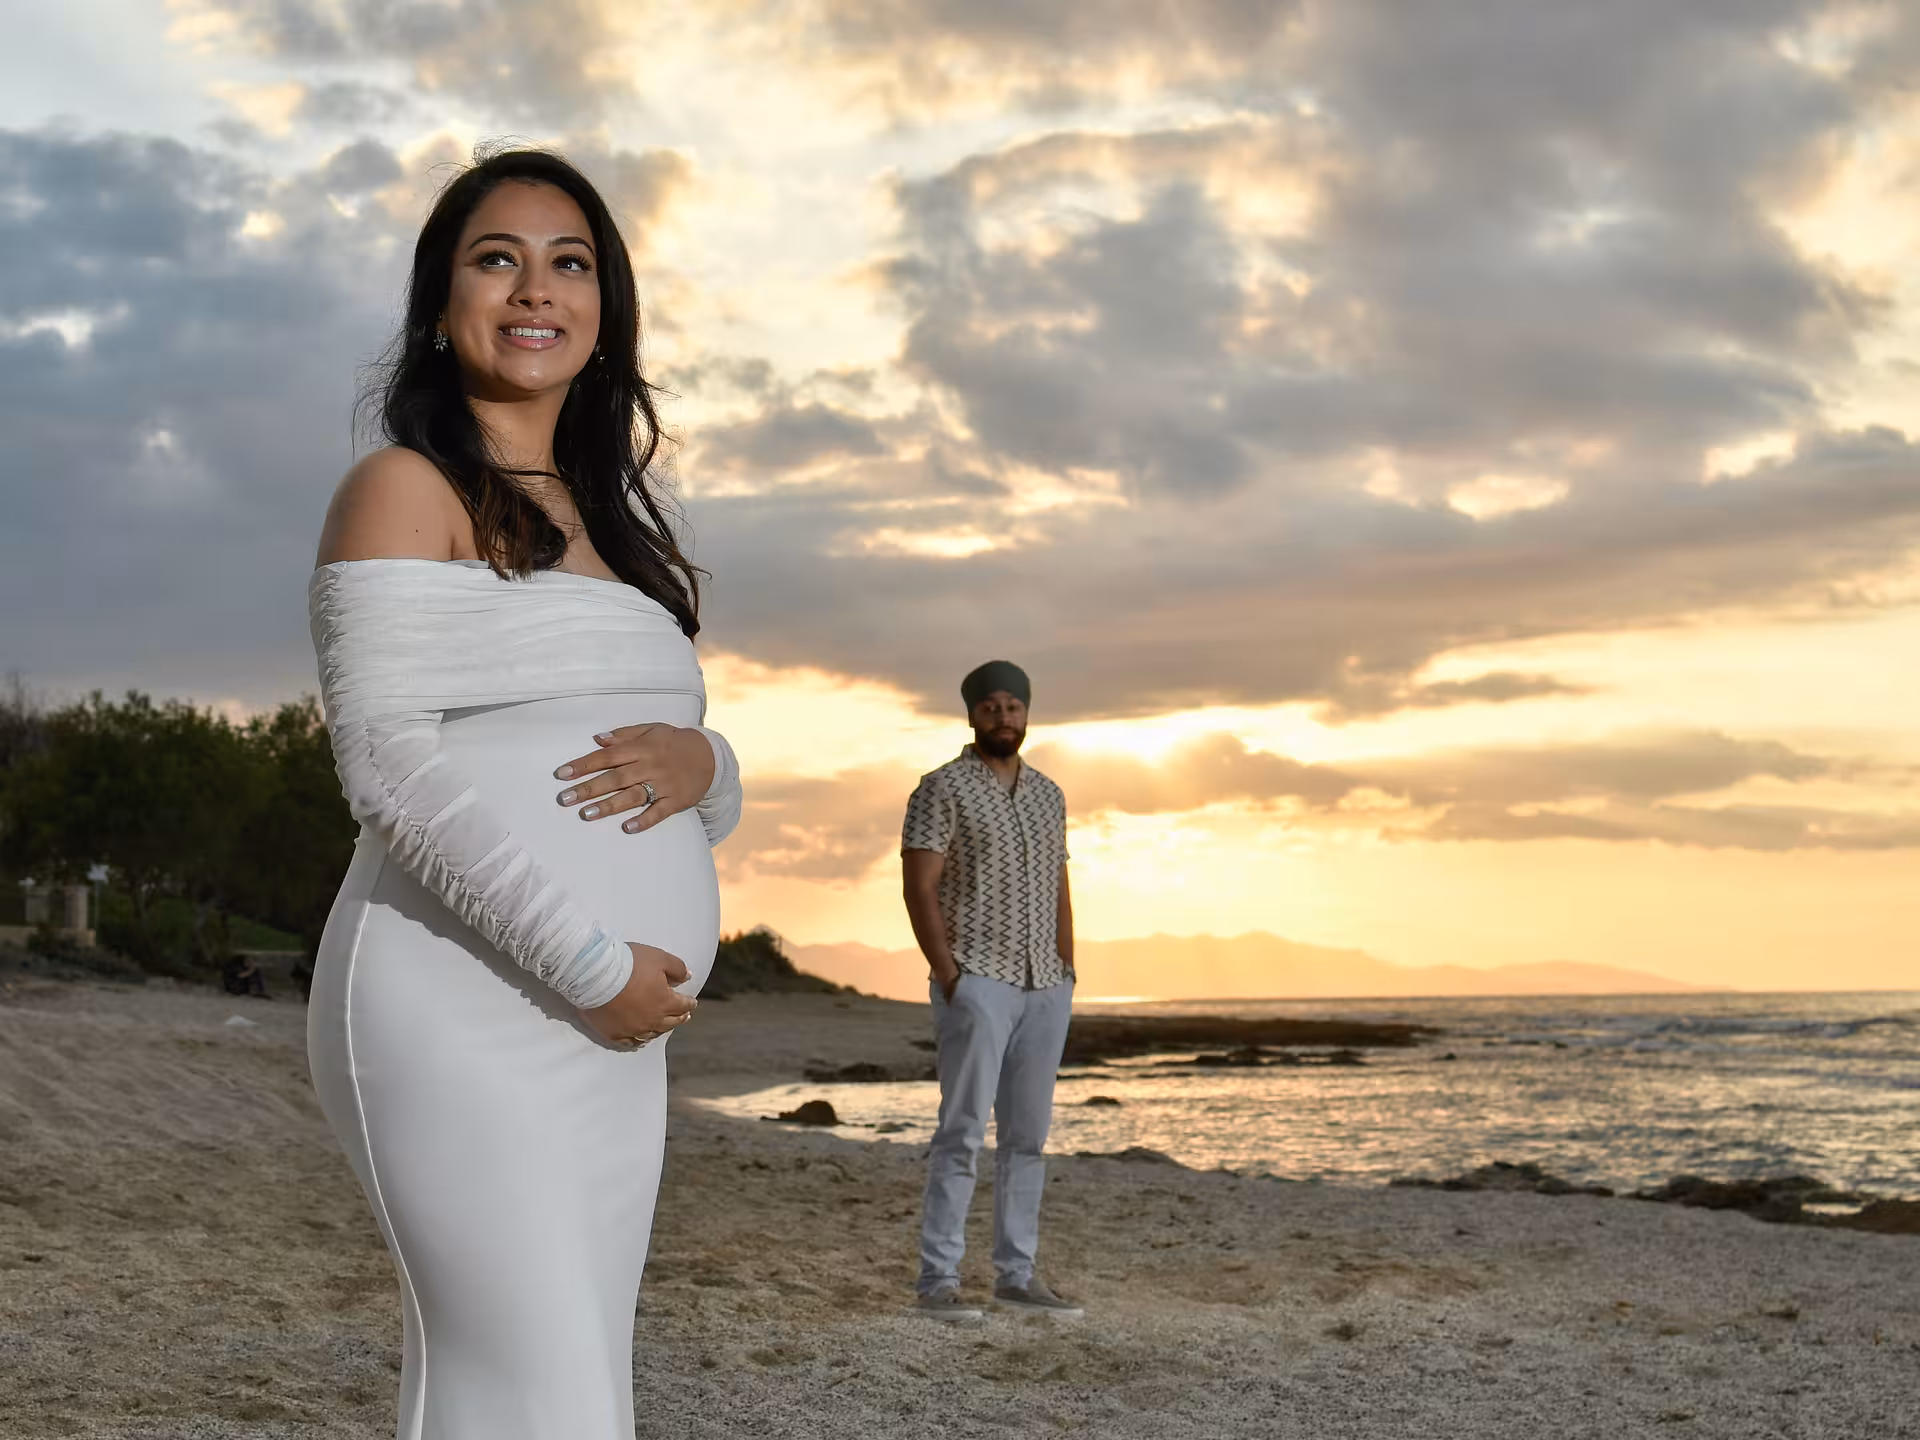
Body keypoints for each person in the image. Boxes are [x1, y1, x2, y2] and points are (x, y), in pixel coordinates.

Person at [305, 147, 742, 1440]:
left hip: (610, 1024)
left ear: (606, 310)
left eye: (571, 262)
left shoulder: (617, 521)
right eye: (496, 259)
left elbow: (670, 763)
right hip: (465, 998)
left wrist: (711, 769)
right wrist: (590, 961)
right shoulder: (404, 489)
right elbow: (385, 766)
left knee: (576, 1385)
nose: (534, 289)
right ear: (442, 307)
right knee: (523, 1380)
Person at [901, 660, 1082, 1321]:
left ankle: (1016, 1276)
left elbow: (1060, 886)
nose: (1004, 717)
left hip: (1045, 985)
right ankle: (938, 1283)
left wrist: (1068, 965)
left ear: (1027, 713)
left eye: (1014, 706)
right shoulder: (939, 789)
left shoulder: (1049, 795)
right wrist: (951, 975)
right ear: (972, 713)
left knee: (1028, 1137)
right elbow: (919, 887)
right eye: (991, 707)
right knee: (962, 1133)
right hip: (977, 978)